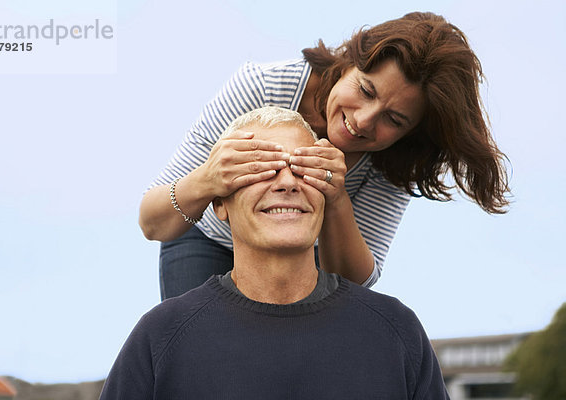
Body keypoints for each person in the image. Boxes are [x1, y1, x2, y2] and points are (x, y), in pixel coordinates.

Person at [139, 12, 511, 300]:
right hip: (209, 241)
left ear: (410, 134)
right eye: (366, 90)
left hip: (307, 262)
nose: (363, 121)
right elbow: (152, 223)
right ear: (349, 59)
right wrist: (208, 179)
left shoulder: (398, 160)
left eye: (393, 119)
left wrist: (336, 199)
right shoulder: (262, 86)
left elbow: (354, 290)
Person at [101, 108, 449, 399]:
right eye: (260, 168)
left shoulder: (396, 332)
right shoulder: (161, 337)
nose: (287, 183)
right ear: (219, 203)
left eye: (303, 168)